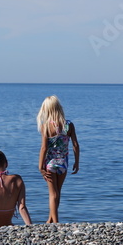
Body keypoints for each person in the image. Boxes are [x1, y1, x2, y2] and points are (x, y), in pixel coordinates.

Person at [37, 95, 80, 223]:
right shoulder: (69, 125)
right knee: (57, 193)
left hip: (50, 164)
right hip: (63, 164)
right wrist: (77, 162)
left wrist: (40, 166)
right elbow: (75, 145)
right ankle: (50, 219)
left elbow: (44, 148)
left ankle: (55, 222)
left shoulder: (46, 126)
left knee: (52, 193)